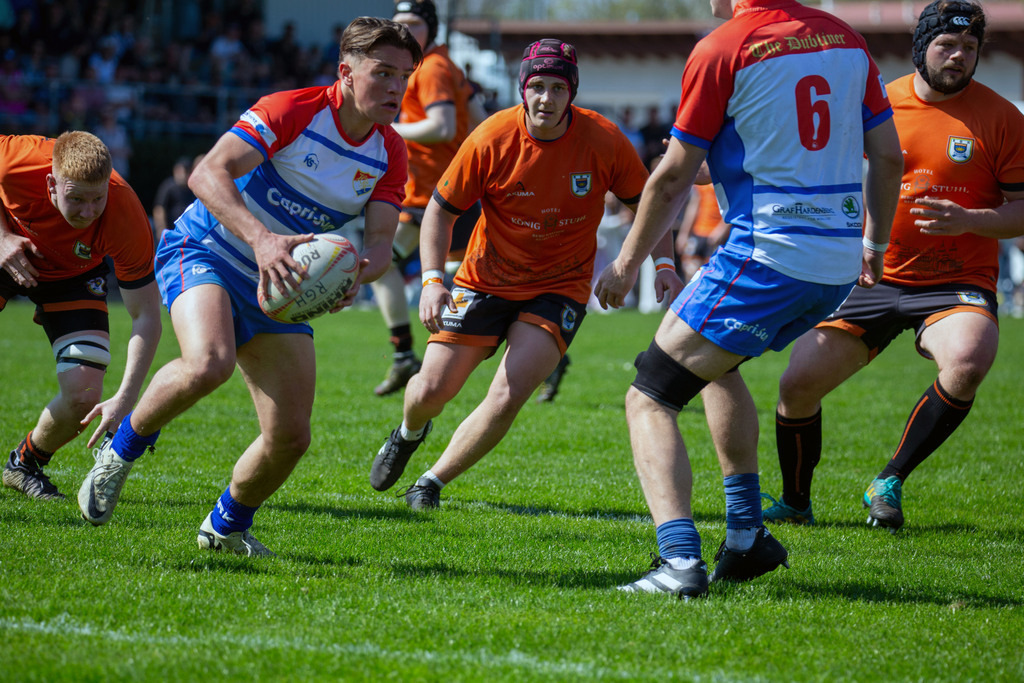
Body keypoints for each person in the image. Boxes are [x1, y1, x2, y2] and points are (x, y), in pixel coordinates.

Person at [75, 17, 423, 556]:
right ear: (346, 73)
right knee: (208, 362)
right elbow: (205, 174)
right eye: (383, 73)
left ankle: (225, 527)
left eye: (405, 75)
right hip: (207, 250)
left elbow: (381, 242)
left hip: (280, 286)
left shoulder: (390, 153)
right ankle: (119, 453)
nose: (397, 88)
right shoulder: (292, 109)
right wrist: (262, 239)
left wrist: (357, 271)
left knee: (291, 436)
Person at [593, 0, 903, 598]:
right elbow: (886, 155)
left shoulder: (723, 46)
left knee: (649, 396)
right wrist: (875, 243)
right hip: (836, 261)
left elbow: (673, 174)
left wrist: (628, 261)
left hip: (768, 254)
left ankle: (679, 564)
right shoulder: (845, 38)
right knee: (718, 367)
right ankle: (745, 538)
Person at [369, 38, 684, 509]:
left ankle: (430, 483)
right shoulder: (492, 137)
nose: (546, 99)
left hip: (560, 287)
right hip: (484, 279)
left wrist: (661, 264)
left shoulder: (603, 139)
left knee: (509, 391)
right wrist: (433, 281)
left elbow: (650, 204)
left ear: (571, 93)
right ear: (522, 89)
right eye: (537, 86)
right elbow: (439, 212)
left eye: (558, 88)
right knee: (430, 390)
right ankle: (409, 432)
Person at [765, 0, 1024, 532]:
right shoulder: (876, 103)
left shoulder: (1002, 117)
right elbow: (812, 164)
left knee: (969, 360)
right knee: (797, 383)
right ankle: (795, 501)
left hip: (955, 282)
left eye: (969, 49)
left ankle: (889, 479)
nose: (957, 57)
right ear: (922, 46)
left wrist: (971, 219)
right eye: (947, 46)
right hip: (870, 273)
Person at [0, 131, 162, 501]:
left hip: (72, 276)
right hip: (8, 249)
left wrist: (125, 397)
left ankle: (24, 464)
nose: (88, 212)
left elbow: (147, 316)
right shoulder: (16, 160)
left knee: (85, 394)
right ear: (50, 184)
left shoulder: (126, 213)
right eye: (76, 199)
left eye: (97, 199)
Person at [372, 0, 487, 397]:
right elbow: (481, 119)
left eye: (413, 23)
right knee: (386, 264)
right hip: (436, 192)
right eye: (398, 22)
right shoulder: (444, 64)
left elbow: (440, 126)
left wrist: (389, 128)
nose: (403, 29)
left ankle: (417, 359)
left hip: (435, 196)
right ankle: (407, 356)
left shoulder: (432, 67)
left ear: (431, 29)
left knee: (461, 284)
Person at [151, 155, 199, 240]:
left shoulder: (192, 188)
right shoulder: (168, 186)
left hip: (187, 234)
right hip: (170, 232)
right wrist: (161, 229)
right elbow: (159, 208)